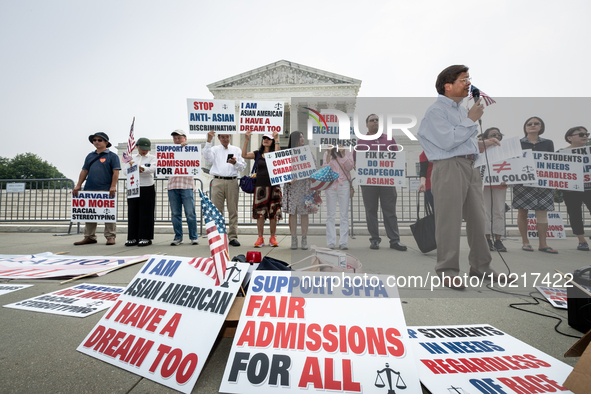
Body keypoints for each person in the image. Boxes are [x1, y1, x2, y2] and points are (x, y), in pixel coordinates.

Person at [417, 64, 499, 289]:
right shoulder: (436, 111)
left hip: (470, 166)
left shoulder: (461, 111)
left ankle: (481, 266)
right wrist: (471, 120)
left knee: (477, 218)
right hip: (449, 168)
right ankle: (448, 269)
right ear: (448, 85)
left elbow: (462, 142)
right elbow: (447, 141)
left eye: (468, 78)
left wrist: (483, 143)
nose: (468, 83)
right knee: (449, 220)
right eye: (463, 79)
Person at [356, 114, 406, 251]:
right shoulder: (361, 142)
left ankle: (395, 240)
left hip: (387, 183)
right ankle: (374, 239)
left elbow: (397, 157)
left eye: (377, 120)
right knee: (371, 211)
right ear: (366, 124)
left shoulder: (389, 139)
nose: (375, 122)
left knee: (390, 211)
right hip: (369, 183)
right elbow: (356, 162)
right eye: (372, 120)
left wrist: (401, 167)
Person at [513, 117, 557, 253]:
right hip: (522, 181)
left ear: (541, 127)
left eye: (536, 123)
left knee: (542, 212)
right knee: (522, 211)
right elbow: (512, 162)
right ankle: (525, 242)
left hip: (543, 181)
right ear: (525, 127)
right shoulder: (517, 143)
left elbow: (552, 162)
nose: (532, 125)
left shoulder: (548, 143)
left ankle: (543, 244)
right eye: (529, 124)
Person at [73, 132, 121, 245]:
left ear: (106, 142)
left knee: (108, 213)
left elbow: (116, 172)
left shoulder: (112, 156)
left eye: (99, 140)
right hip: (90, 188)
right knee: (90, 213)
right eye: (94, 140)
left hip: (106, 189)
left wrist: (113, 186)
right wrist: (79, 185)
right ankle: (89, 236)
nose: (96, 142)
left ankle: (110, 236)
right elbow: (84, 171)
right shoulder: (90, 156)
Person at [203, 130, 246, 247]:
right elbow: (206, 157)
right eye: (223, 137)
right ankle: (218, 237)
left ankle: (233, 237)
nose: (225, 139)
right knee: (217, 211)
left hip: (232, 181)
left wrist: (235, 163)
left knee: (233, 210)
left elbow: (242, 166)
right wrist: (208, 140)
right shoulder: (214, 149)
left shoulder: (236, 150)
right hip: (217, 181)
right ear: (219, 138)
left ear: (230, 137)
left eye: (227, 137)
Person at [242, 131, 283, 247]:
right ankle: (260, 237)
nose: (265, 140)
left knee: (273, 213)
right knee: (260, 213)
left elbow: (279, 156)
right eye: (264, 138)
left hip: (274, 186)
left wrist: (277, 139)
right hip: (260, 187)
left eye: (268, 139)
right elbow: (244, 155)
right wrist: (246, 140)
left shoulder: (274, 152)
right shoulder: (258, 153)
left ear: (272, 141)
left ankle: (273, 237)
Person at [560, 126, 591, 251]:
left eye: (586, 134)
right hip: (571, 190)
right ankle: (581, 240)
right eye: (581, 134)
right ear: (569, 138)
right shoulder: (560, 153)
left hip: (589, 188)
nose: (585, 136)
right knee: (575, 214)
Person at [283, 131, 314, 250]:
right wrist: (288, 179)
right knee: (293, 213)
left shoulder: (308, 153)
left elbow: (314, 169)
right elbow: (281, 170)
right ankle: (294, 239)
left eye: (303, 136)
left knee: (305, 213)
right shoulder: (287, 155)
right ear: (295, 139)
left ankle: (304, 239)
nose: (303, 138)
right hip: (292, 187)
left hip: (305, 186)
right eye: (300, 137)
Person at [168, 130, 198, 246]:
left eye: (179, 138)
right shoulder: (169, 151)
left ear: (185, 139)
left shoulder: (191, 149)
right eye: (175, 138)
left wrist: (186, 147)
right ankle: (178, 237)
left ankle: (193, 237)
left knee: (190, 212)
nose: (177, 140)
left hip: (187, 185)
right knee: (175, 213)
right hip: (172, 185)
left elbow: (196, 159)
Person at [481, 128, 508, 252]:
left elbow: (512, 166)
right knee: (485, 212)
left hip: (500, 184)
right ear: (486, 137)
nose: (497, 136)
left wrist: (509, 179)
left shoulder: (506, 149)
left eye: (498, 134)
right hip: (484, 185)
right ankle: (487, 239)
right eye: (493, 134)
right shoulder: (481, 149)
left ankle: (498, 240)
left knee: (499, 211)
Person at [125, 138, 156, 247]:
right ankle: (132, 237)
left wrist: (140, 168)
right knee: (132, 212)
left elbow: (152, 169)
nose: (144, 151)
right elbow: (125, 171)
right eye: (142, 148)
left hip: (147, 186)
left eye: (146, 149)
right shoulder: (131, 158)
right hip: (133, 187)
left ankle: (145, 236)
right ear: (137, 147)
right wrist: (131, 166)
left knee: (146, 213)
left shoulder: (152, 158)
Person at [324, 145, 354, 250]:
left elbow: (350, 167)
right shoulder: (328, 153)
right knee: (330, 214)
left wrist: (343, 155)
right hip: (331, 184)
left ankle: (343, 242)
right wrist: (328, 153)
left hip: (344, 184)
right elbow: (325, 168)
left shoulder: (348, 152)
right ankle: (331, 242)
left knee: (344, 214)